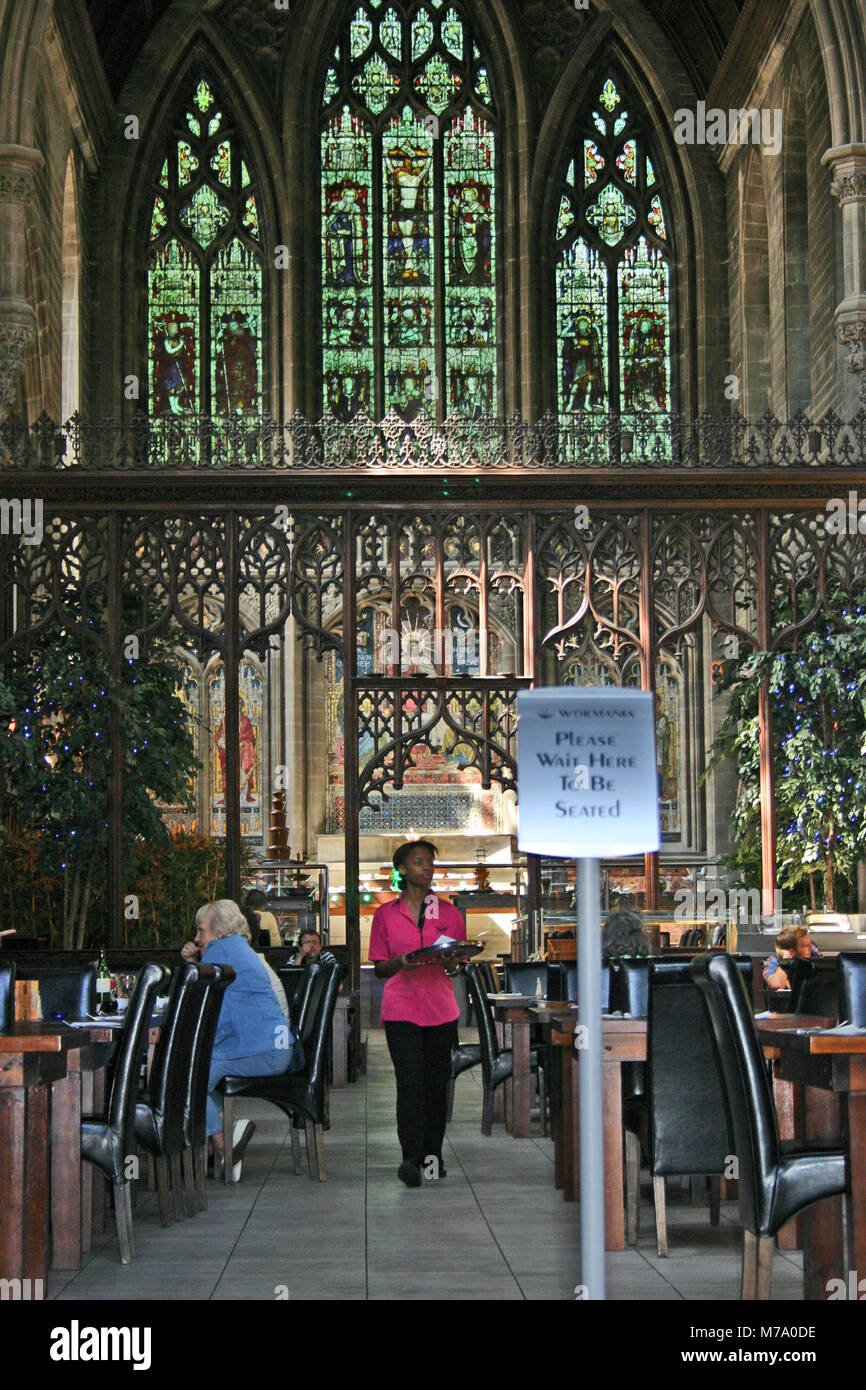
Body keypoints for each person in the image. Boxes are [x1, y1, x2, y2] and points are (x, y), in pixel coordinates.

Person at [181, 899, 303, 1179]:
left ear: (218, 931)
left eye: (201, 931)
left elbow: (210, 1013)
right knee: (200, 1069)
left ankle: (223, 1143)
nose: (197, 938)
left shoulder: (220, 950)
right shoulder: (236, 949)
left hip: (264, 1051)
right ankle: (220, 1141)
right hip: (275, 1046)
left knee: (190, 1074)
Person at [368, 839, 466, 1188]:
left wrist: (452, 961)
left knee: (436, 1086)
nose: (427, 869)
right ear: (403, 870)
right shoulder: (385, 915)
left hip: (441, 1010)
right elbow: (379, 967)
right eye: (419, 863)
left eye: (430, 864)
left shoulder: (449, 913)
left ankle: (431, 1159)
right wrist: (401, 962)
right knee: (409, 1084)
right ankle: (410, 1159)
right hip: (401, 1011)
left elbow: (457, 965)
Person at [763, 924, 822, 991]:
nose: (811, 948)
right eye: (805, 946)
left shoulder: (812, 952)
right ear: (792, 951)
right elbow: (777, 985)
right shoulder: (772, 961)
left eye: (809, 944)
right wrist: (785, 960)